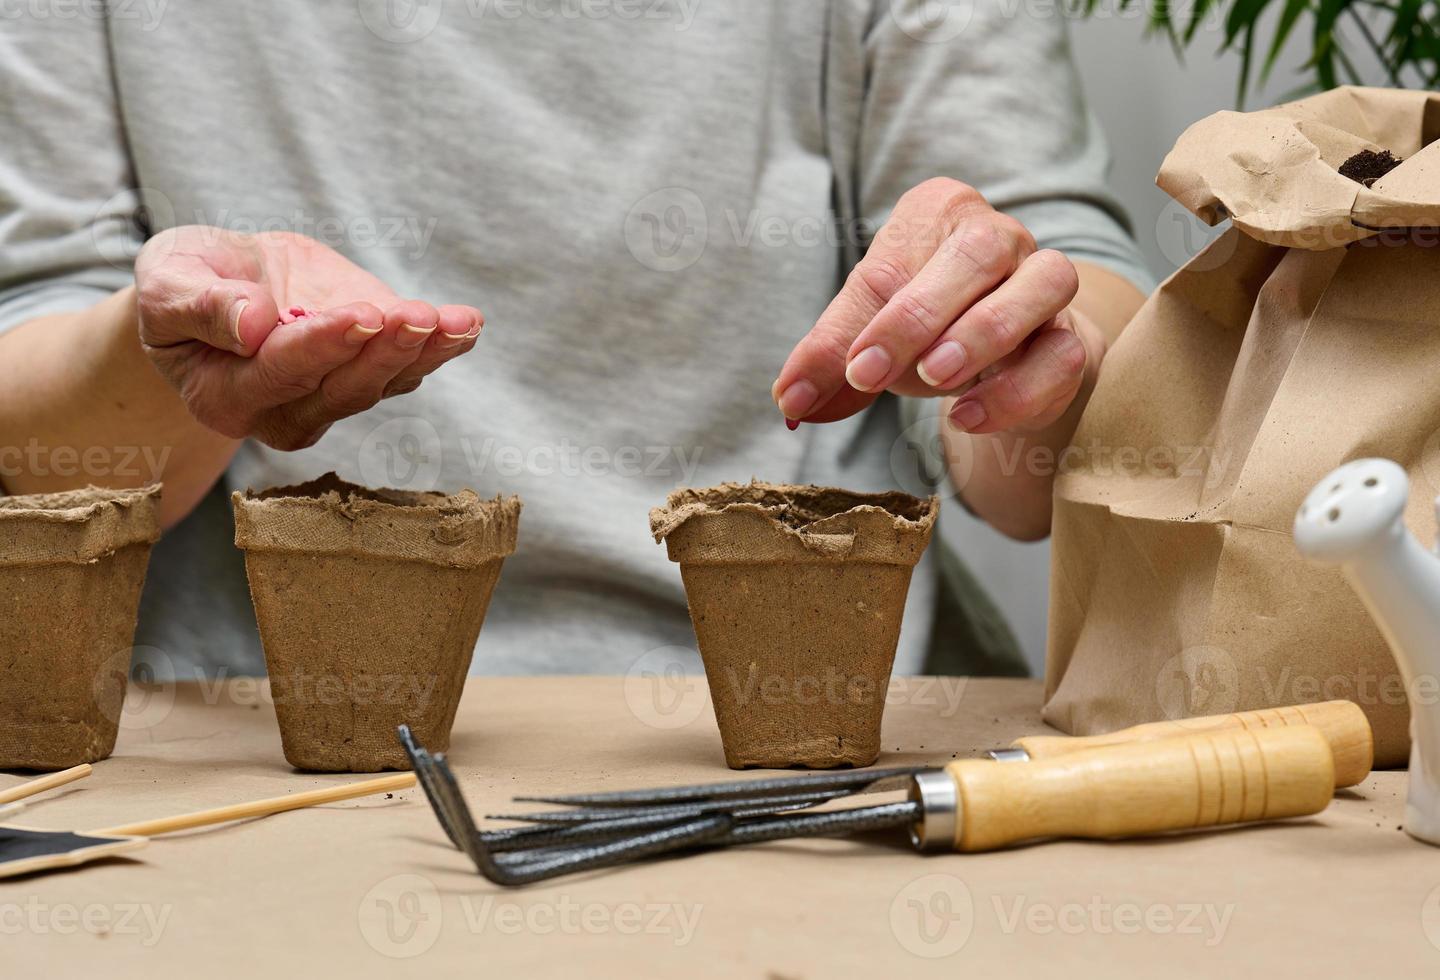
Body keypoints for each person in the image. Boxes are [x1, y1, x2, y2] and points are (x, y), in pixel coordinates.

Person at [0, 1, 1149, 680]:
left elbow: (1062, 359)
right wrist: (179, 355)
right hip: (246, 728)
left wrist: (1024, 353)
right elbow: (45, 429)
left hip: (839, 731)